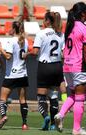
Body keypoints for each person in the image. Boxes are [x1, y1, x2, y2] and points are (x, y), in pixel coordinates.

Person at [54, 2, 86, 135]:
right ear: (83, 14)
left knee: (73, 95)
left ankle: (60, 115)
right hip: (79, 66)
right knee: (80, 97)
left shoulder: (69, 27)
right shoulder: (83, 28)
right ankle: (76, 129)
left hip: (67, 66)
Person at [31, 12, 64, 131]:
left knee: (41, 97)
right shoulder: (60, 34)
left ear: (47, 21)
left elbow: (35, 52)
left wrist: (26, 54)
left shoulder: (41, 33)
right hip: (57, 66)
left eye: (44, 20)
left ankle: (45, 116)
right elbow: (63, 53)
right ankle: (54, 125)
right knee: (54, 96)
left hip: (44, 67)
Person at [0, 21, 29, 130]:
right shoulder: (26, 41)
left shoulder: (11, 41)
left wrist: (1, 49)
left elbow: (8, 57)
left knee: (2, 99)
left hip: (11, 75)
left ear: (14, 29)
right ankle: (24, 124)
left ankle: (4, 116)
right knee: (22, 99)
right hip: (23, 73)